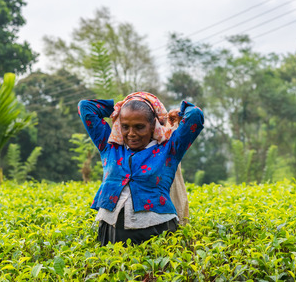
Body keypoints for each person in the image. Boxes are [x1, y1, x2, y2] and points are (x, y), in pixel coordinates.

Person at [78, 92, 204, 246]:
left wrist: (176, 114)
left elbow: (195, 115)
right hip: (110, 229)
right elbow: (85, 107)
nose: (131, 134)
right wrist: (118, 109)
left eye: (139, 127)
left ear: (153, 126)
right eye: (125, 126)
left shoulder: (169, 149)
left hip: (157, 229)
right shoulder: (110, 145)